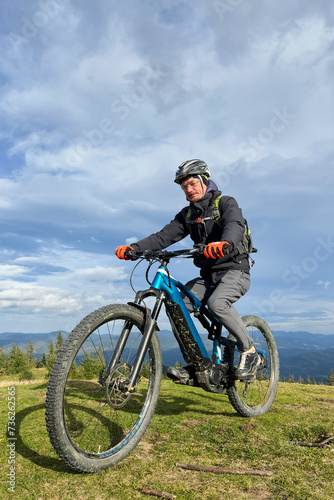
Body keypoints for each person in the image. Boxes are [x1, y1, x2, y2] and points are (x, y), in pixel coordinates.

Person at [115, 159, 260, 382]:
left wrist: (225, 243)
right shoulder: (188, 215)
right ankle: (197, 365)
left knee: (217, 304)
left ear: (205, 181)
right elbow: (163, 237)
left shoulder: (226, 203)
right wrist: (134, 248)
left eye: (192, 184)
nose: (188, 190)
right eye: (184, 187)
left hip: (235, 271)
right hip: (207, 277)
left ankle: (250, 352)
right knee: (177, 307)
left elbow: (235, 226)